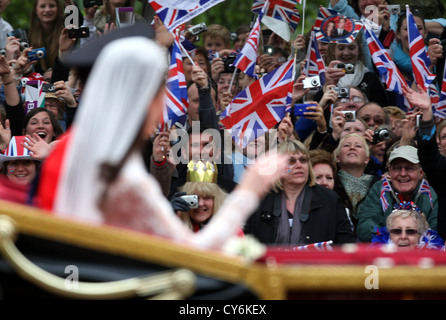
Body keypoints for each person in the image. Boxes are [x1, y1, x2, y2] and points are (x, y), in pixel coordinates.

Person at [32, 36, 289, 251]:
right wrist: (249, 191)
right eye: (160, 94)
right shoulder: (126, 177)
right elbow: (194, 249)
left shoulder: (69, 149)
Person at [244, 139, 355, 246]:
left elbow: (345, 243)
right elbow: (247, 243)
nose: (299, 165)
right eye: (291, 161)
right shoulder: (262, 199)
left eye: (303, 160)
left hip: (317, 264)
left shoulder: (329, 199)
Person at [356, 145, 438, 242]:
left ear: (420, 172)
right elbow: (365, 226)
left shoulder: (431, 194)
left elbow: (437, 230)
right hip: (386, 253)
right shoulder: (379, 189)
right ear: (390, 171)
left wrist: (414, 241)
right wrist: (393, 238)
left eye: (409, 168)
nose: (403, 174)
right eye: (397, 168)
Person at [403, 84, 446, 240]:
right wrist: (427, 113)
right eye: (445, 136)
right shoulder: (443, 171)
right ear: (439, 142)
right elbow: (428, 155)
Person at [333, 133, 380, 232]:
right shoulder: (330, 182)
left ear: (367, 159)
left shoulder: (379, 185)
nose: (352, 148)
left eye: (358, 146)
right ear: (337, 157)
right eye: (346, 145)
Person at [371, 208, 444, 250]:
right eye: (396, 231)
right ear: (389, 235)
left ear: (421, 235)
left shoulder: (437, 263)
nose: (403, 237)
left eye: (410, 231)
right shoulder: (374, 261)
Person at [28, 0, 66, 75]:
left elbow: (77, 19)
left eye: (52, 6)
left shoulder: (66, 34)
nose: (47, 10)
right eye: (42, 6)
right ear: (36, 10)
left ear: (59, 8)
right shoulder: (26, 36)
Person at [0, 135, 40, 204]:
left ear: (36, 167)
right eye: (14, 163)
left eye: (26, 163)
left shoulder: (51, 195)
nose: (20, 169)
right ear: (6, 168)